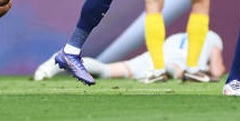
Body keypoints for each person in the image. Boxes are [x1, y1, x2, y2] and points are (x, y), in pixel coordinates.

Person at [34, 31, 226, 82]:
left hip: (152, 58)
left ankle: (55, 63)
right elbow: (218, 70)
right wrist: (210, 70)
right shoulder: (212, 37)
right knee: (179, 71)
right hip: (177, 64)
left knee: (106, 70)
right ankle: (170, 70)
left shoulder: (177, 37)